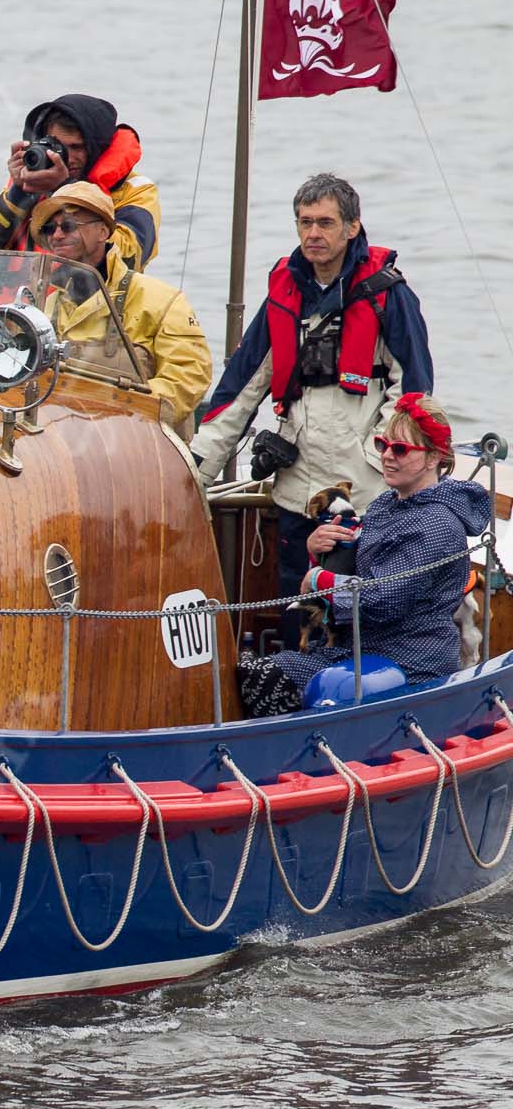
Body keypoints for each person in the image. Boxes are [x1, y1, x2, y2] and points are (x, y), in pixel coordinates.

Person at [191, 174, 434, 635]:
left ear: (352, 228)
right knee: (296, 608)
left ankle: (358, 691)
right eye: (305, 223)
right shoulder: (285, 296)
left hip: (366, 491)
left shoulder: (388, 294)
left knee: (362, 613)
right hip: (296, 489)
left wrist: (377, 456)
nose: (313, 234)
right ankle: (294, 684)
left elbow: (415, 393)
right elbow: (238, 392)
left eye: (325, 223)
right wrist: (192, 480)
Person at [237, 395, 489, 716]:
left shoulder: (435, 523)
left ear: (433, 458)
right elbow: (358, 566)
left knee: (263, 678)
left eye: (400, 449)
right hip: (362, 647)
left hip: (409, 658)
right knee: (253, 672)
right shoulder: (388, 504)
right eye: (383, 444)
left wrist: (319, 581)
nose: (387, 456)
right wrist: (320, 550)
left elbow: (383, 601)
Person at [29, 182, 213, 429]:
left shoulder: (162, 299)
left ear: (103, 232)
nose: (57, 235)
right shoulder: (45, 306)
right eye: (49, 229)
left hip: (142, 448)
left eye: (68, 226)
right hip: (64, 444)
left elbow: (189, 377)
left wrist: (122, 416)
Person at [0, 93, 161, 276]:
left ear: (97, 148)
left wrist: (64, 190)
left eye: (77, 148)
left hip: (95, 312)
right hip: (22, 314)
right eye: (58, 148)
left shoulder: (136, 191)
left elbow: (127, 258)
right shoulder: (32, 185)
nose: (67, 158)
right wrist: (17, 194)